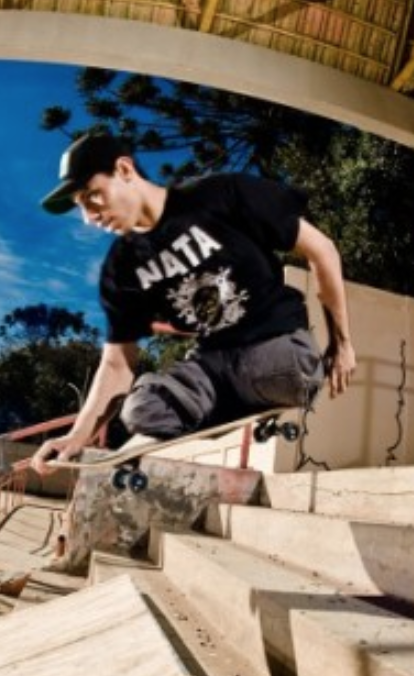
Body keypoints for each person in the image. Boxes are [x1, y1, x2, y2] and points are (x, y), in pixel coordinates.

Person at [30, 132, 357, 473]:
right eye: (81, 207)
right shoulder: (122, 268)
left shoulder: (220, 194)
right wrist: (77, 436)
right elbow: (116, 364)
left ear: (125, 169)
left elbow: (322, 250)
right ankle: (202, 411)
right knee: (140, 407)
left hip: (277, 351)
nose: (89, 216)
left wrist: (342, 344)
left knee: (283, 372)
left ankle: (204, 409)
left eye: (93, 196)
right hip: (211, 366)